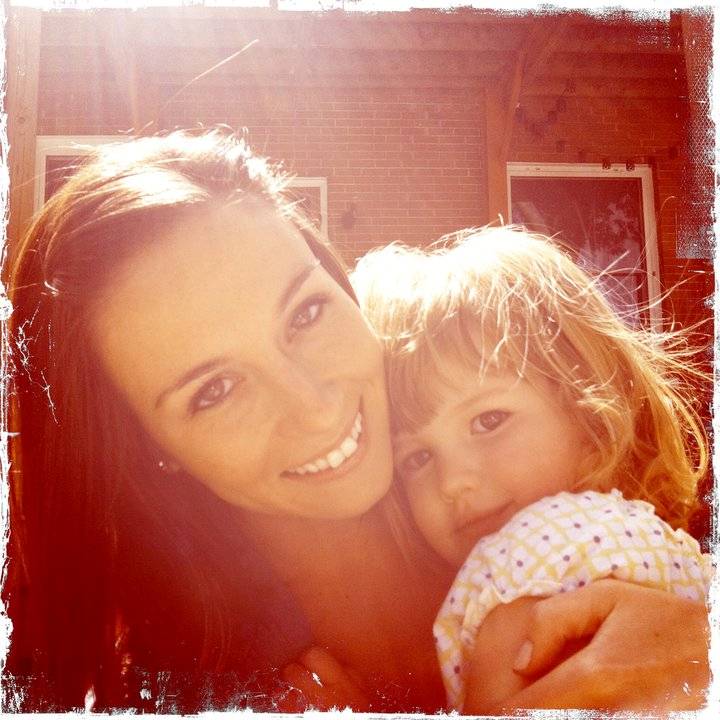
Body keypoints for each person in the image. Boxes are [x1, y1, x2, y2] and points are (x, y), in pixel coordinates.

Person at [4, 129, 711, 713]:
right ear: (145, 449)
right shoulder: (187, 694)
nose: (315, 404)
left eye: (306, 312)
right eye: (215, 390)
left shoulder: (492, 462)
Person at [352, 228, 713, 713]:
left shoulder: (531, 554)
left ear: (587, 413)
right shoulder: (635, 538)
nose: (453, 481)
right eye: (417, 458)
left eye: (489, 421)